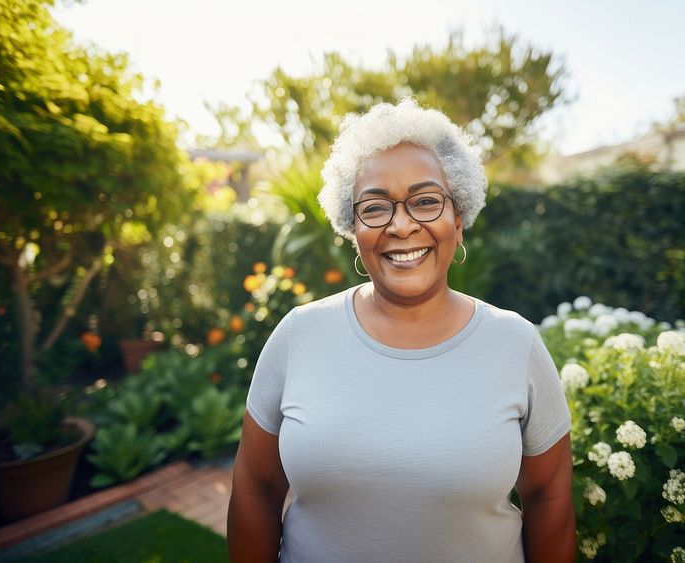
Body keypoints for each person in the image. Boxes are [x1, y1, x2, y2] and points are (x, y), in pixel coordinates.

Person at [227, 99, 575, 562]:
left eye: (426, 201)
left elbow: (549, 496)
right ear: (353, 229)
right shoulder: (298, 336)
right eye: (375, 208)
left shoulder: (515, 343)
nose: (402, 225)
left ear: (459, 216)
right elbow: (256, 486)